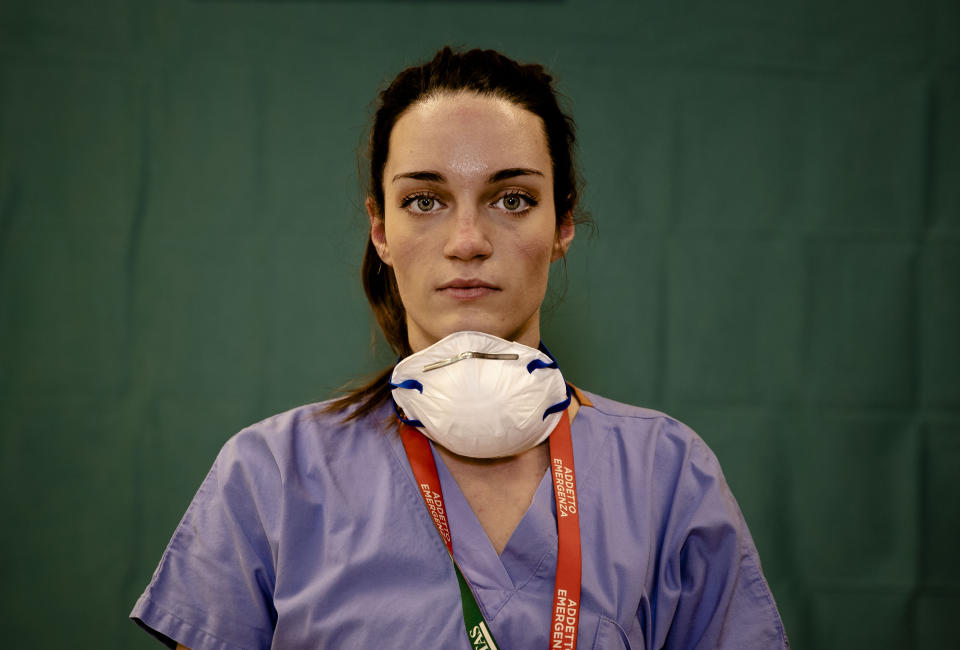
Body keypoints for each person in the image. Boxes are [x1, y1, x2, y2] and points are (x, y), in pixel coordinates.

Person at [130, 46, 789, 649]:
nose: (468, 239)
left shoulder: (667, 475)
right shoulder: (272, 474)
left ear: (563, 224)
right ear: (380, 230)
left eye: (511, 198)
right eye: (424, 200)